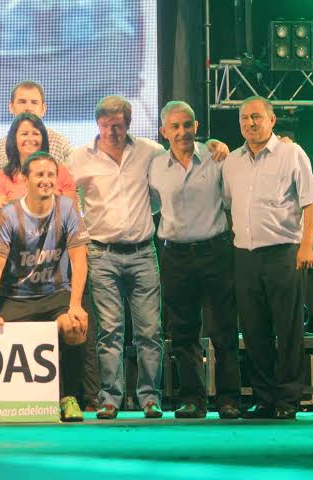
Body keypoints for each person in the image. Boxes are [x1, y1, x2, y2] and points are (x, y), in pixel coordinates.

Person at [70, 95, 229, 420]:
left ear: (129, 124)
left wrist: (214, 144)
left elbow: (168, 180)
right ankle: (110, 398)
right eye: (106, 125)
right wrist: (81, 231)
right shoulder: (79, 158)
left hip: (143, 251)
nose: (113, 131)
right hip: (101, 254)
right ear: (97, 125)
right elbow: (65, 194)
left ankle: (149, 398)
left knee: (149, 331)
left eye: (119, 125)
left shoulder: (150, 152)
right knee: (109, 331)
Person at [223, 96, 313, 420]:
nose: (249, 123)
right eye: (244, 118)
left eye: (256, 117)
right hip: (245, 256)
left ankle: (288, 400)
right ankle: (264, 399)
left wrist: (307, 245)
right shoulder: (232, 161)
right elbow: (228, 204)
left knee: (288, 329)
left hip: (284, 253)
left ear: (272, 120)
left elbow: (311, 201)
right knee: (254, 331)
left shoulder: (292, 153)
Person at [0, 151, 89, 422]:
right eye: (39, 174)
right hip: (16, 296)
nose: (46, 180)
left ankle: (69, 397)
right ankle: (4, 400)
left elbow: (79, 260)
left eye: (51, 175)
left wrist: (76, 305)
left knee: (75, 326)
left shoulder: (67, 209)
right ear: (24, 179)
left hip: (55, 293)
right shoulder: (7, 215)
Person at [149, 101, 241, 419]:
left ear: (196, 126)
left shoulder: (217, 157)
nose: (182, 132)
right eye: (174, 126)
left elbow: (231, 200)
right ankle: (192, 399)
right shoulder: (155, 166)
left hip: (215, 251)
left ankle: (229, 399)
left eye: (187, 125)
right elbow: (150, 205)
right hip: (175, 255)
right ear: (163, 131)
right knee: (183, 332)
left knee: (224, 329)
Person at [0, 113, 77, 223]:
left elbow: (73, 216)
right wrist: (3, 214)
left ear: (43, 138)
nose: (30, 139)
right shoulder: (4, 176)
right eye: (24, 134)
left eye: (36, 133)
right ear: (14, 139)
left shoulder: (61, 172)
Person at [0, 80, 72, 172]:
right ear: (11, 107)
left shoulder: (60, 144)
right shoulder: (1, 148)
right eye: (22, 102)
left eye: (34, 102)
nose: (28, 108)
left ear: (43, 109)